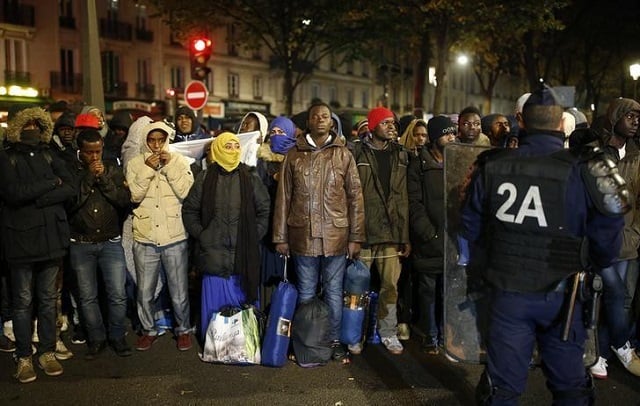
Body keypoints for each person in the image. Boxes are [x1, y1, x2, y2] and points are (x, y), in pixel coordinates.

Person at [462, 85, 627, 404]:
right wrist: (596, 258)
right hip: (563, 295)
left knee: (502, 388)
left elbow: (470, 226)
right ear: (561, 124)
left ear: (521, 122)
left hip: (508, 292)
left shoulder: (492, 164)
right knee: (570, 387)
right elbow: (612, 218)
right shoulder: (585, 168)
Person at [273, 102, 365, 362]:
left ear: (331, 123)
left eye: (326, 116)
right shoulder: (294, 154)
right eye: (316, 116)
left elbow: (355, 198)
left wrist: (356, 237)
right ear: (309, 122)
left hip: (336, 236)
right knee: (306, 292)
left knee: (334, 292)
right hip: (302, 235)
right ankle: (305, 341)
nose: (322, 120)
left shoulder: (343, 154)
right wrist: (280, 237)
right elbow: (284, 198)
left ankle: (333, 341)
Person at [0, 106, 75, 383]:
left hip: (52, 239)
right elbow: (13, 193)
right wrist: (48, 184)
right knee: (22, 302)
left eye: (36, 123)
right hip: (20, 241)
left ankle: (46, 351)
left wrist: (41, 198)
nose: (31, 128)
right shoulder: (6, 157)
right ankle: (23, 356)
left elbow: (70, 186)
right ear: (17, 126)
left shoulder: (50, 152)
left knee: (47, 300)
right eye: (26, 123)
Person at [182, 132, 270, 337]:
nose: (232, 151)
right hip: (213, 258)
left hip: (243, 259)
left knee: (243, 311)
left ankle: (244, 348)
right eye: (227, 146)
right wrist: (203, 235)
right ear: (217, 149)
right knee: (215, 314)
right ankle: (216, 346)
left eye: (235, 146)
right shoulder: (205, 178)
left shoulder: (250, 176)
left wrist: (253, 235)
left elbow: (264, 210)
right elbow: (189, 211)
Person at [582, 98, 640, 379]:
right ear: (614, 117)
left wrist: (636, 234)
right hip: (600, 242)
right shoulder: (596, 153)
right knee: (606, 295)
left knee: (621, 299)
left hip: (628, 241)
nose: (635, 121)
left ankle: (601, 353)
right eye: (629, 115)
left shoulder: (638, 156)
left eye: (638, 117)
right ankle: (620, 345)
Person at [125, 121, 195, 352]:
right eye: (151, 140)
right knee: (144, 291)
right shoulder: (135, 163)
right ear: (145, 140)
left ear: (166, 140)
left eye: (160, 140)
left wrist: (169, 166)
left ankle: (183, 330)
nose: (156, 145)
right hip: (145, 236)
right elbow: (134, 195)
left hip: (174, 235)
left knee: (179, 290)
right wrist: (147, 168)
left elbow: (186, 191)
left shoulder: (179, 160)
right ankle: (148, 330)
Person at [67, 129, 132, 359]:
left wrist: (103, 179)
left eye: (98, 151)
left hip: (110, 241)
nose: (95, 157)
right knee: (87, 296)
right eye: (89, 153)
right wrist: (87, 179)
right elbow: (70, 204)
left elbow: (124, 201)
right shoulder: (72, 171)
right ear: (80, 152)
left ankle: (117, 336)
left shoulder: (112, 169)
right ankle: (96, 339)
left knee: (117, 293)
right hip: (81, 243)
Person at [351, 106, 411, 355]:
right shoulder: (357, 152)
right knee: (357, 289)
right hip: (364, 232)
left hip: (391, 232)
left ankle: (388, 332)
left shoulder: (402, 155)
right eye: (386, 123)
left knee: (390, 287)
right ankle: (355, 335)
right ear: (373, 126)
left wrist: (404, 236)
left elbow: (404, 198)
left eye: (393, 124)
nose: (392, 127)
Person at [407, 115, 457, 354]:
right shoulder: (419, 166)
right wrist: (428, 233)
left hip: (451, 239)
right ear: (437, 137)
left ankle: (445, 334)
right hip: (430, 240)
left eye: (453, 133)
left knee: (447, 292)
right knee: (428, 292)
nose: (452, 137)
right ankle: (430, 334)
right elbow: (414, 204)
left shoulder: (455, 162)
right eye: (447, 133)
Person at [255, 116, 298, 306]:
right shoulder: (260, 161)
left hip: (292, 229)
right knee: (267, 277)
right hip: (266, 230)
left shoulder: (297, 158)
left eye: (281, 132)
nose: (277, 136)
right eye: (273, 132)